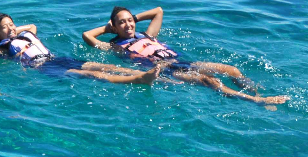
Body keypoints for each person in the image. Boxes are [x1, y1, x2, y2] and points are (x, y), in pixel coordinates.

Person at [83, 6, 288, 107]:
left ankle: (258, 94)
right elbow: (87, 36)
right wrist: (107, 28)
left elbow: (158, 11)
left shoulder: (147, 35)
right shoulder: (116, 46)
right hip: (167, 70)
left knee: (231, 70)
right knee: (209, 81)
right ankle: (256, 101)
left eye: (130, 21)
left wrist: (133, 18)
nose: (128, 25)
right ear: (114, 26)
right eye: (122, 23)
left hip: (182, 62)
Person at [0, 13, 160, 84]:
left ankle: (142, 74)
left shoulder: (25, 34)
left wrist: (15, 29)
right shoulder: (2, 48)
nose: (10, 28)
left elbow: (32, 26)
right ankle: (137, 79)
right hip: (42, 67)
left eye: (11, 24)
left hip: (55, 59)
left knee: (98, 65)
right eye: (4, 27)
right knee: (91, 74)